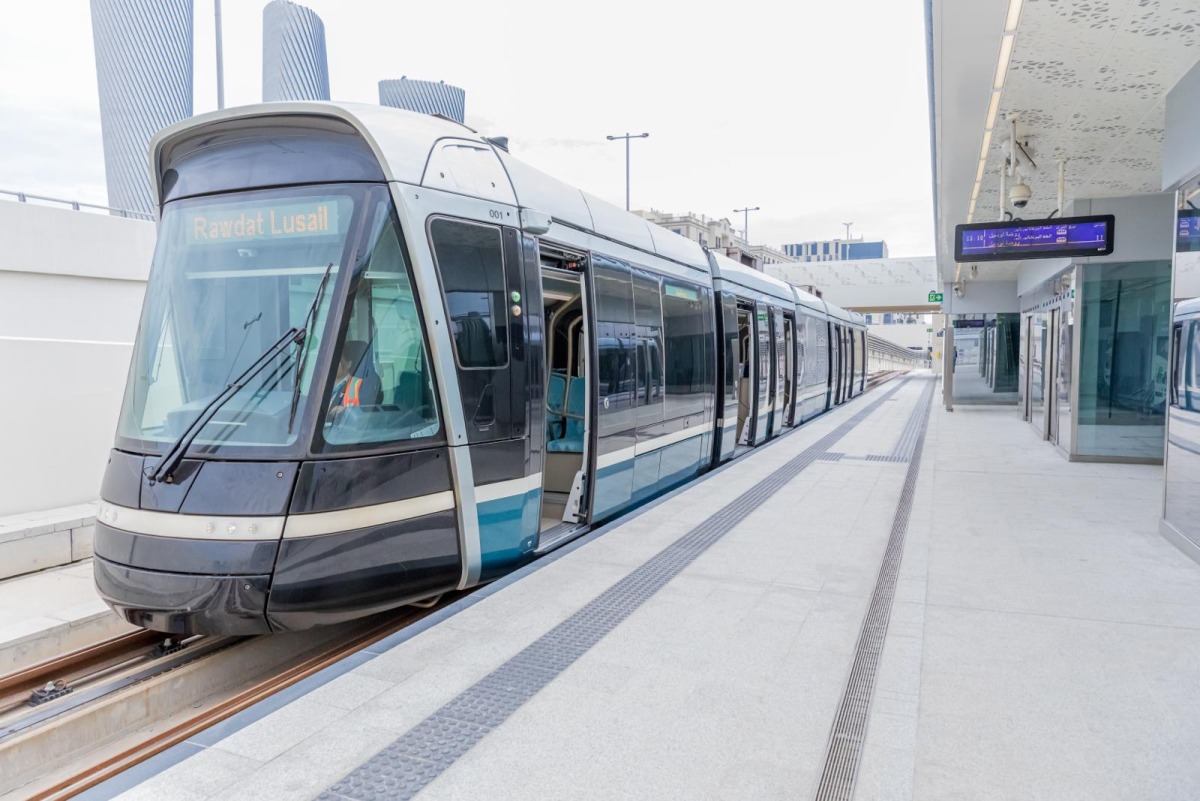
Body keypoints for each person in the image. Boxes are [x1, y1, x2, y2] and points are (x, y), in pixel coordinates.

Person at [328, 340, 381, 419]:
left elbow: (366, 415)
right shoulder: (323, 386)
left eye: (337, 361)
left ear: (348, 364)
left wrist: (345, 411)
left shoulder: (360, 385)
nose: (331, 364)